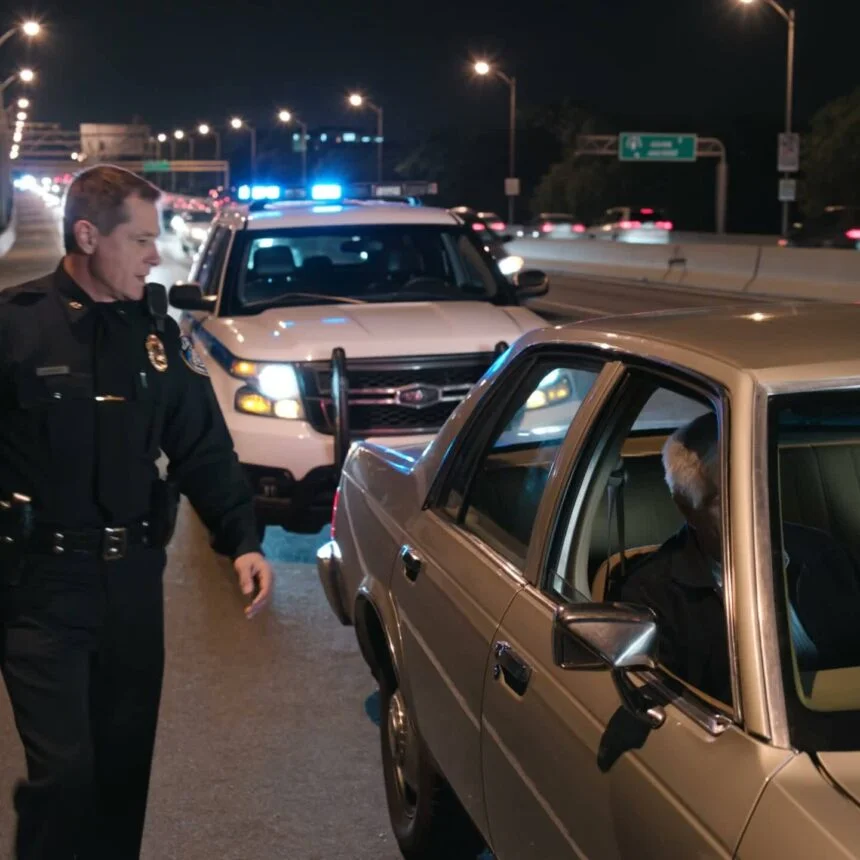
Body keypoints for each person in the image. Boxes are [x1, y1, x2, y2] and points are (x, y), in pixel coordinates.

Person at [0, 164, 273, 859]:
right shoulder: (14, 326)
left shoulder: (158, 335)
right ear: (89, 236)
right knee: (64, 778)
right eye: (142, 239)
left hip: (131, 589)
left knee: (122, 777)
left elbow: (202, 446)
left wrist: (242, 538)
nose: (156, 255)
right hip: (38, 591)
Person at [620, 411, 860, 705]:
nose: (755, 509)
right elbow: (673, 711)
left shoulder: (823, 552)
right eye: (726, 499)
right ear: (686, 508)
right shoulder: (654, 596)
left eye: (759, 487)